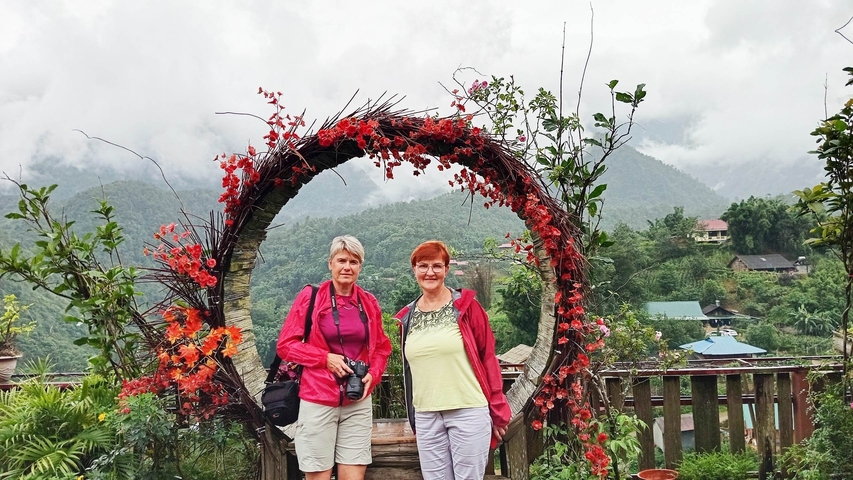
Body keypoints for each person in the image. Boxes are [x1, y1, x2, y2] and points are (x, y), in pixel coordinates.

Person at [277, 235, 392, 480]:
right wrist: (324, 358)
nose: (347, 267)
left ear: (360, 266)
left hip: (357, 399)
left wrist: (375, 373)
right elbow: (286, 346)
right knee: (318, 475)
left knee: (353, 475)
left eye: (353, 261)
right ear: (330, 263)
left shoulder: (368, 302)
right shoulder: (312, 297)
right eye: (341, 260)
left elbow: (382, 347)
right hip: (318, 398)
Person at [395, 240, 511, 480]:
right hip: (427, 415)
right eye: (423, 266)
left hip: (467, 410)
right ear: (414, 269)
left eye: (437, 266)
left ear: (446, 270)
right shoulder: (407, 317)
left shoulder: (467, 308)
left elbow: (488, 358)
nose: (430, 272)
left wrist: (498, 411)